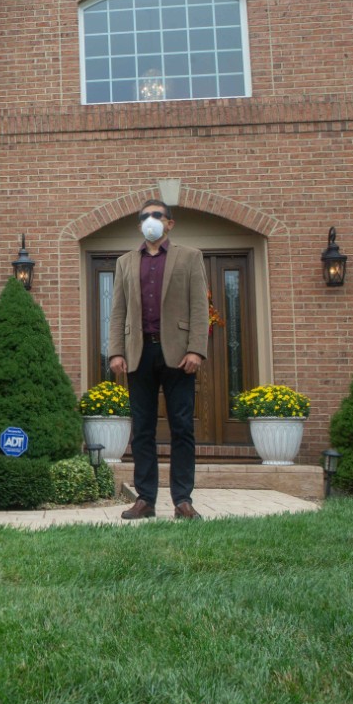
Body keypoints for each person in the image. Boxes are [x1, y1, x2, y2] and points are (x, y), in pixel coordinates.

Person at [108, 200, 209, 520]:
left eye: (157, 216)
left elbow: (199, 308)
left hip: (179, 355)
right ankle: (145, 499)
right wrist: (116, 351)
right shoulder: (125, 262)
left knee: (181, 426)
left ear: (170, 223)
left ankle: (182, 499)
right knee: (142, 429)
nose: (150, 221)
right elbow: (117, 311)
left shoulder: (190, 257)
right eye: (144, 217)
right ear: (139, 225)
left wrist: (196, 349)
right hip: (139, 352)